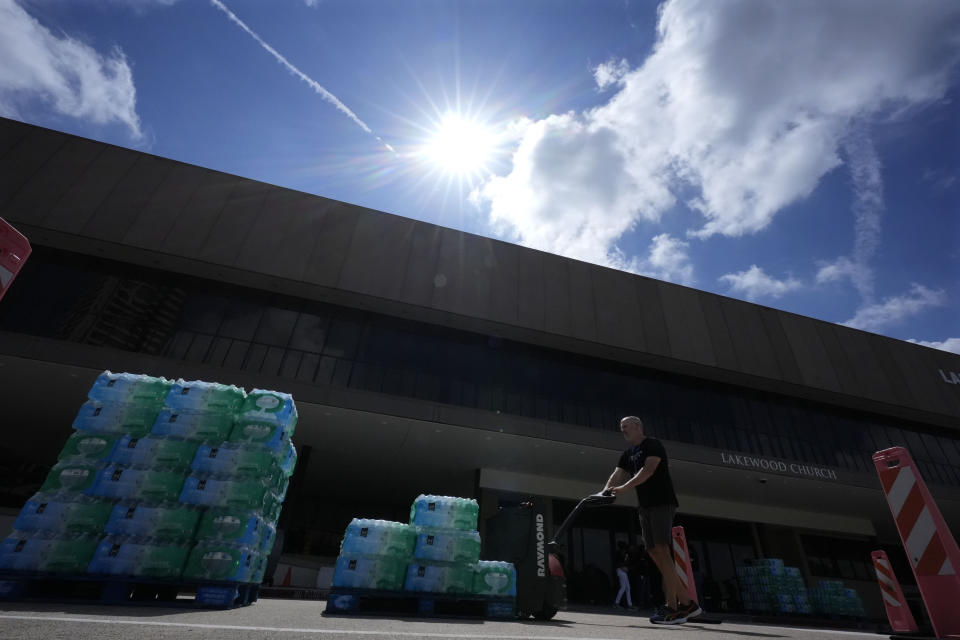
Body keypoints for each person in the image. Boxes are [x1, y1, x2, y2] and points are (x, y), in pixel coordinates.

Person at [603, 416, 702, 625]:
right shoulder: (628, 454)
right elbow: (617, 473)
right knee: (653, 552)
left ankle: (673, 608)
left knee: (662, 549)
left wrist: (624, 489)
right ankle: (687, 603)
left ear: (638, 426)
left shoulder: (652, 445)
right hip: (645, 506)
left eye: (626, 427)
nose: (623, 431)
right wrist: (605, 491)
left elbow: (648, 470)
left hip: (662, 502)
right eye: (621, 429)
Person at [613, 541, 635, 609]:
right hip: (621, 570)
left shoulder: (622, 553)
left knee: (627, 588)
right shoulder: (621, 553)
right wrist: (624, 567)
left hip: (621, 570)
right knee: (624, 587)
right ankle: (616, 603)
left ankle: (629, 604)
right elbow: (620, 563)